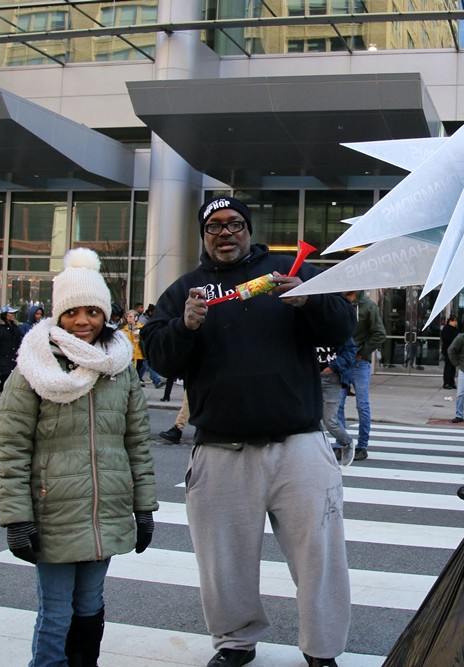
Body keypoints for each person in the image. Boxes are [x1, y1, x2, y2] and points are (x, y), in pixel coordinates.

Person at [141, 196, 354, 667]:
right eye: (214, 226)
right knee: (224, 562)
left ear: (248, 229)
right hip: (221, 451)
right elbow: (156, 356)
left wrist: (309, 300)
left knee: (319, 556)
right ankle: (235, 643)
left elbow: (342, 327)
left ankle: (322, 650)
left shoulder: (286, 272)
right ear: (203, 235)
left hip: (298, 444)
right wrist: (185, 326)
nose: (225, 233)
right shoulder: (184, 291)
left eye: (234, 224)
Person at [0, 247, 157, 666]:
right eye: (71, 312)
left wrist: (144, 509)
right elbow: (12, 449)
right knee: (56, 613)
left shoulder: (119, 368)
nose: (82, 321)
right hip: (54, 514)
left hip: (107, 511)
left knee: (90, 606)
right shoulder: (33, 368)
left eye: (92, 311)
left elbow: (137, 444)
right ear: (57, 314)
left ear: (105, 314)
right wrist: (17, 518)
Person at [338, 290, 387, 462]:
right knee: (338, 404)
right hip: (342, 360)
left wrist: (363, 352)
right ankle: (342, 443)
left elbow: (380, 333)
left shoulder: (367, 306)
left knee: (362, 405)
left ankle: (362, 445)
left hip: (359, 361)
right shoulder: (339, 303)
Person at [318, 337, 357, 466]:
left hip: (332, 378)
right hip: (311, 377)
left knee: (330, 421)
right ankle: (317, 453)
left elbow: (351, 352)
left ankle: (346, 442)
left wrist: (332, 367)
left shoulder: (339, 326)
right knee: (310, 419)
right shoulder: (308, 326)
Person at [0, 305, 23, 406]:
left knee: (10, 380)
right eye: (10, 313)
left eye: (13, 313)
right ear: (5, 315)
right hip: (2, 358)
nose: (13, 315)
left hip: (13, 358)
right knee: (7, 378)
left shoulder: (15, 327)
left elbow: (19, 340)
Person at [122, 309, 163, 388]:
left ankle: (155, 381)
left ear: (136, 318)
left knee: (147, 366)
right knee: (138, 370)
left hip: (141, 352)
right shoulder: (125, 329)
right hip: (132, 354)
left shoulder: (141, 327)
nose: (128, 318)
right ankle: (142, 381)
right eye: (127, 317)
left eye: (130, 316)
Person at [440, 314, 459, 389]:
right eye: (454, 321)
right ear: (450, 322)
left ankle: (452, 382)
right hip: (448, 350)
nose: (456, 323)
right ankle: (447, 382)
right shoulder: (446, 329)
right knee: (448, 367)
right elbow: (446, 340)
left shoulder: (455, 329)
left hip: (454, 351)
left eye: (456, 322)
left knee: (453, 367)